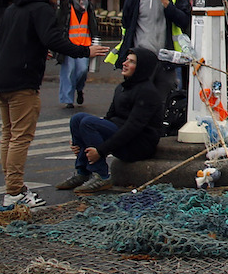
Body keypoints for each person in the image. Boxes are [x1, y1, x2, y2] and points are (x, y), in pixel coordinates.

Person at [0, 0, 109, 208]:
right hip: (23, 81)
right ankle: (13, 193)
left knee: (8, 134)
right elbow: (54, 39)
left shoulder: (14, 9)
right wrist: (85, 51)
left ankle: (13, 187)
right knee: (20, 137)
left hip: (1, 78)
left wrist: (32, 48)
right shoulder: (42, 9)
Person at [59, 47, 167, 192]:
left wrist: (101, 150)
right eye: (126, 60)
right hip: (121, 133)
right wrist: (80, 141)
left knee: (88, 123)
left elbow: (133, 128)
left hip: (138, 144)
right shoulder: (122, 88)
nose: (125, 63)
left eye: (131, 62)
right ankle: (83, 172)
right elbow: (109, 118)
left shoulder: (147, 93)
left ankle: (102, 175)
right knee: (78, 119)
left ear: (142, 67)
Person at [113, 0, 190, 99]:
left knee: (164, 100)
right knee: (139, 99)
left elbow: (184, 21)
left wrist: (166, 3)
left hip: (166, 60)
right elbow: (126, 23)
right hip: (141, 59)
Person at [57, 0, 94, 108]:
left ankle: (79, 88)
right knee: (68, 72)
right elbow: (60, 23)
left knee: (82, 70)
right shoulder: (66, 6)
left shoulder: (88, 6)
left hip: (84, 44)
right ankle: (68, 100)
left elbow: (92, 23)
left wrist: (95, 39)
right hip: (68, 45)